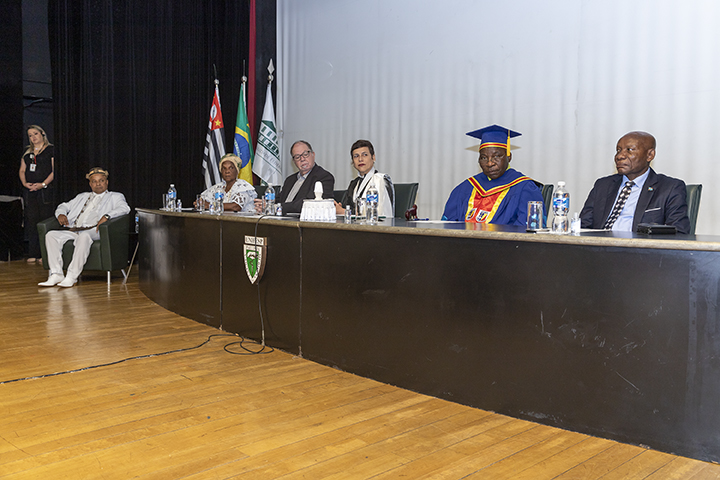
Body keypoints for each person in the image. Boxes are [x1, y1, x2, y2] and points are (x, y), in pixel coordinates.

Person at [580, 131, 690, 234]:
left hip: (640, 252)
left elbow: (679, 232)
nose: (620, 156)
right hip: (598, 250)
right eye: (618, 150)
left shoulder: (670, 188)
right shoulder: (603, 185)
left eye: (629, 150)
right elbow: (583, 227)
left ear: (650, 155)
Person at [38, 167, 130, 288]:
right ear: (90, 184)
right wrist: (61, 214)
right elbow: (64, 206)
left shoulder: (115, 196)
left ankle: (71, 276)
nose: (98, 184)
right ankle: (56, 273)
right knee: (51, 235)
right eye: (94, 181)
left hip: (95, 230)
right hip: (75, 229)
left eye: (101, 180)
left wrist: (107, 216)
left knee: (85, 236)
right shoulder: (82, 196)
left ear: (106, 182)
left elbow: (125, 208)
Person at [442, 124, 543, 225]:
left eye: (496, 156)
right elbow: (447, 225)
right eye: (484, 158)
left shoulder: (525, 187)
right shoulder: (465, 188)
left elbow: (529, 230)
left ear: (509, 157)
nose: (490, 163)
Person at [19, 125, 55, 263]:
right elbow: (22, 170)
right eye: (30, 135)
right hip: (30, 191)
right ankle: (34, 253)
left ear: (42, 134)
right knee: (32, 221)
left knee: (44, 221)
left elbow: (54, 170)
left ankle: (44, 254)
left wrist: (43, 184)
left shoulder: (50, 150)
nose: (33, 137)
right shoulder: (27, 152)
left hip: (45, 191)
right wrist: (24, 183)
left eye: (35, 134)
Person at [335, 139, 394, 218]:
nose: (360, 159)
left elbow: (379, 214)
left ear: (373, 157)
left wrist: (344, 212)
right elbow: (348, 208)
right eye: (356, 156)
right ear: (353, 162)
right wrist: (339, 209)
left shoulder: (381, 180)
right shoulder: (354, 184)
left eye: (364, 155)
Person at [275, 140, 335, 214]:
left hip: (303, 222)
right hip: (281, 219)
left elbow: (309, 203)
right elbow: (279, 200)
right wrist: (265, 204)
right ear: (294, 161)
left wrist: (279, 207)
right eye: (297, 157)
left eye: (305, 154)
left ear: (313, 155)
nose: (302, 159)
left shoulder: (324, 177)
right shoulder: (289, 180)